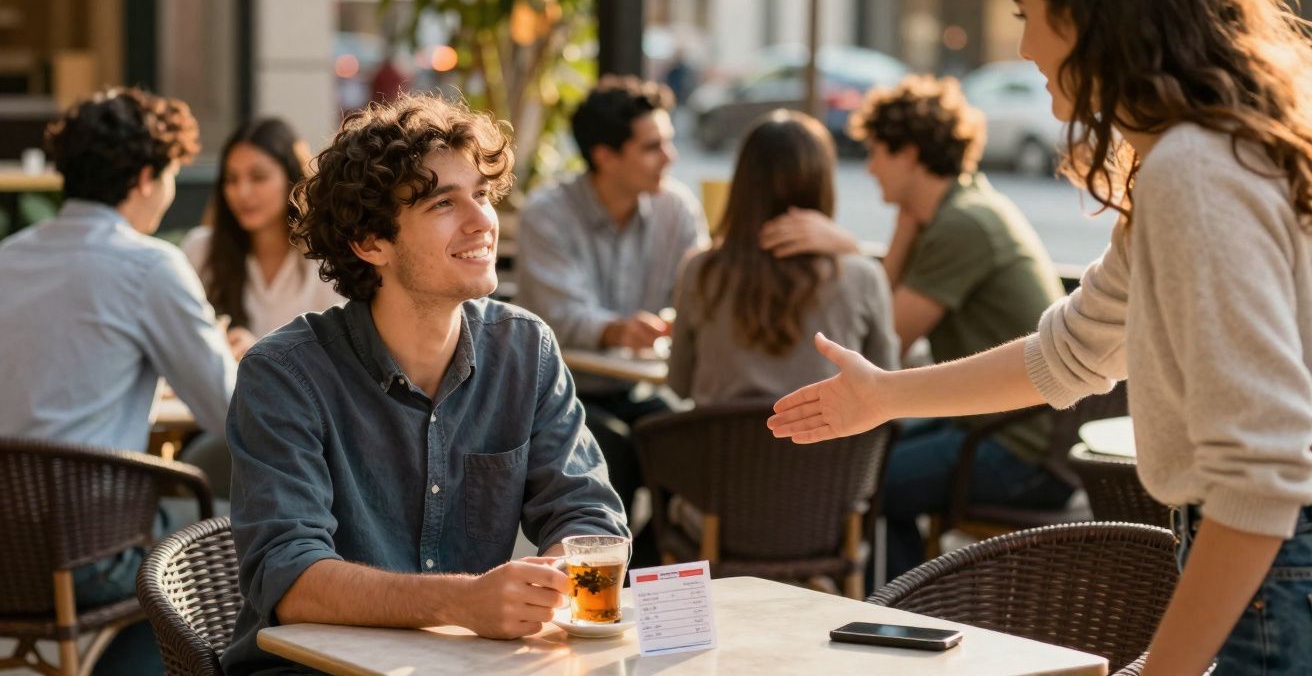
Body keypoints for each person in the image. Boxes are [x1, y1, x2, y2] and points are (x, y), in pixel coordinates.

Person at [768, 0, 1312, 672]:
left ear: (1093, 16)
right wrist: (886, 395)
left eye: (1027, 13)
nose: (1022, 48)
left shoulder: (1193, 173)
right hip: (1266, 565)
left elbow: (1260, 477)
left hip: (1271, 566)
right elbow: (1069, 355)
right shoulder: (1208, 158)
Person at [222, 93, 627, 675]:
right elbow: (289, 576)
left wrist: (552, 577)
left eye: (482, 195)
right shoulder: (284, 374)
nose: (481, 220)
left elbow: (587, 513)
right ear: (371, 243)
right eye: (444, 203)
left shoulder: (524, 349)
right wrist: (463, 602)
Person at [763, 75, 1068, 580]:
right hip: (993, 423)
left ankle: (899, 619)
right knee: (857, 454)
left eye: (878, 151)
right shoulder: (958, 207)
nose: (870, 168)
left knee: (864, 482)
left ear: (909, 154)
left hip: (1021, 450)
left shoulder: (963, 224)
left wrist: (846, 250)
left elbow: (887, 342)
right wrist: (903, 231)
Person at [0, 87, 237, 676]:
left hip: (5, 551)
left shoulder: (6, 258)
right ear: (144, 178)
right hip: (85, 554)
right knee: (235, 536)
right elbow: (231, 412)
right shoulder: (148, 265)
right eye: (173, 174)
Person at [515, 75, 708, 541]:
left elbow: (702, 298)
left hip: (639, 388)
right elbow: (558, 317)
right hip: (563, 393)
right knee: (614, 451)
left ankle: (649, 580)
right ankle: (611, 591)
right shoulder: (548, 214)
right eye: (652, 146)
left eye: (669, 142)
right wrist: (619, 331)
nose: (670, 157)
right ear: (604, 156)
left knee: (694, 448)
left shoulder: (676, 209)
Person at [668, 109, 899, 405]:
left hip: (723, 450)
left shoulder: (701, 269)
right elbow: (887, 384)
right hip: (832, 451)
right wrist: (851, 249)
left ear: (742, 185)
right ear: (823, 183)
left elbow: (679, 384)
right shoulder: (862, 276)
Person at [181, 117, 342, 354]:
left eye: (258, 177)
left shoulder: (326, 257)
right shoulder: (200, 249)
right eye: (231, 179)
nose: (242, 192)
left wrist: (258, 353)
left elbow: (340, 356)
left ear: (291, 179)